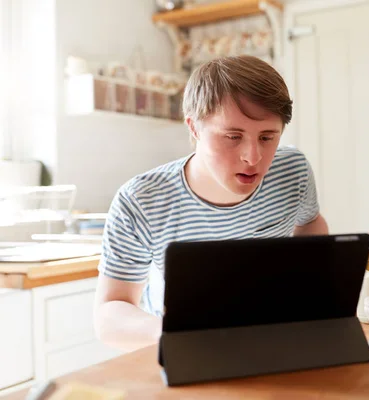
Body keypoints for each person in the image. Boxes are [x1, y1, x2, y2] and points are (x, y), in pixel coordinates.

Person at [93, 55, 328, 352]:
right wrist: (176, 332)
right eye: (233, 136)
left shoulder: (292, 170)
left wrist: (311, 285)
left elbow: (310, 223)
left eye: (268, 137)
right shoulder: (141, 200)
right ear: (194, 128)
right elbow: (109, 313)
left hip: (272, 337)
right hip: (184, 348)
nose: (253, 157)